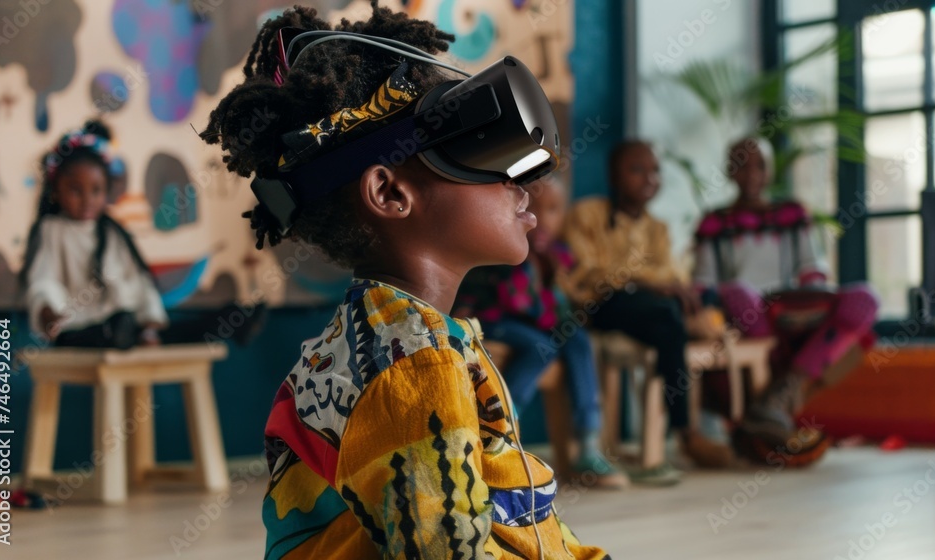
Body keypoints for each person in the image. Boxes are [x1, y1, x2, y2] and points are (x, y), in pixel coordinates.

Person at [201, 4, 608, 558]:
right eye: (479, 154)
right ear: (390, 194)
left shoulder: (376, 338)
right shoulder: (414, 363)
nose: (521, 183)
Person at [693, 136, 879, 466]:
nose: (751, 173)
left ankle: (782, 391)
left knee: (865, 298)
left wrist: (810, 295)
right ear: (729, 171)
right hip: (748, 319)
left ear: (771, 172)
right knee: (738, 292)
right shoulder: (713, 223)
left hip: (797, 313)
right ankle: (768, 412)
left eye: (760, 165)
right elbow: (704, 284)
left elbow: (813, 269)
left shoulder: (793, 213)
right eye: (741, 165)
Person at [19, 120, 264, 349]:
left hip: (127, 323)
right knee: (111, 333)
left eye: (96, 190)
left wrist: (150, 319)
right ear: (55, 191)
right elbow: (43, 278)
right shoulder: (51, 231)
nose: (87, 200)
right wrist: (48, 309)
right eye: (75, 190)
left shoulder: (111, 233)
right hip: (77, 328)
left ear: (107, 191)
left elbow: (136, 280)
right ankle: (126, 332)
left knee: (179, 333)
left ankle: (233, 317)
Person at [563, 139, 733, 470]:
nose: (649, 178)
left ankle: (686, 431)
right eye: (637, 169)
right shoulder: (587, 213)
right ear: (613, 175)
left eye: (655, 170)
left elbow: (673, 276)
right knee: (667, 314)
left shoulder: (658, 229)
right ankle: (686, 433)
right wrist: (645, 280)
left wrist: (653, 283)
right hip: (600, 307)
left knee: (675, 314)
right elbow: (586, 273)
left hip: (649, 309)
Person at [455, 177, 629, 489]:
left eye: (553, 210)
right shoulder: (506, 248)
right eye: (531, 207)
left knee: (577, 339)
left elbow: (558, 307)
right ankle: (503, 427)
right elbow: (519, 302)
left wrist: (557, 282)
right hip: (491, 318)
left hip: (534, 322)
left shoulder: (558, 254)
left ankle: (588, 442)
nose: (541, 219)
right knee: (543, 348)